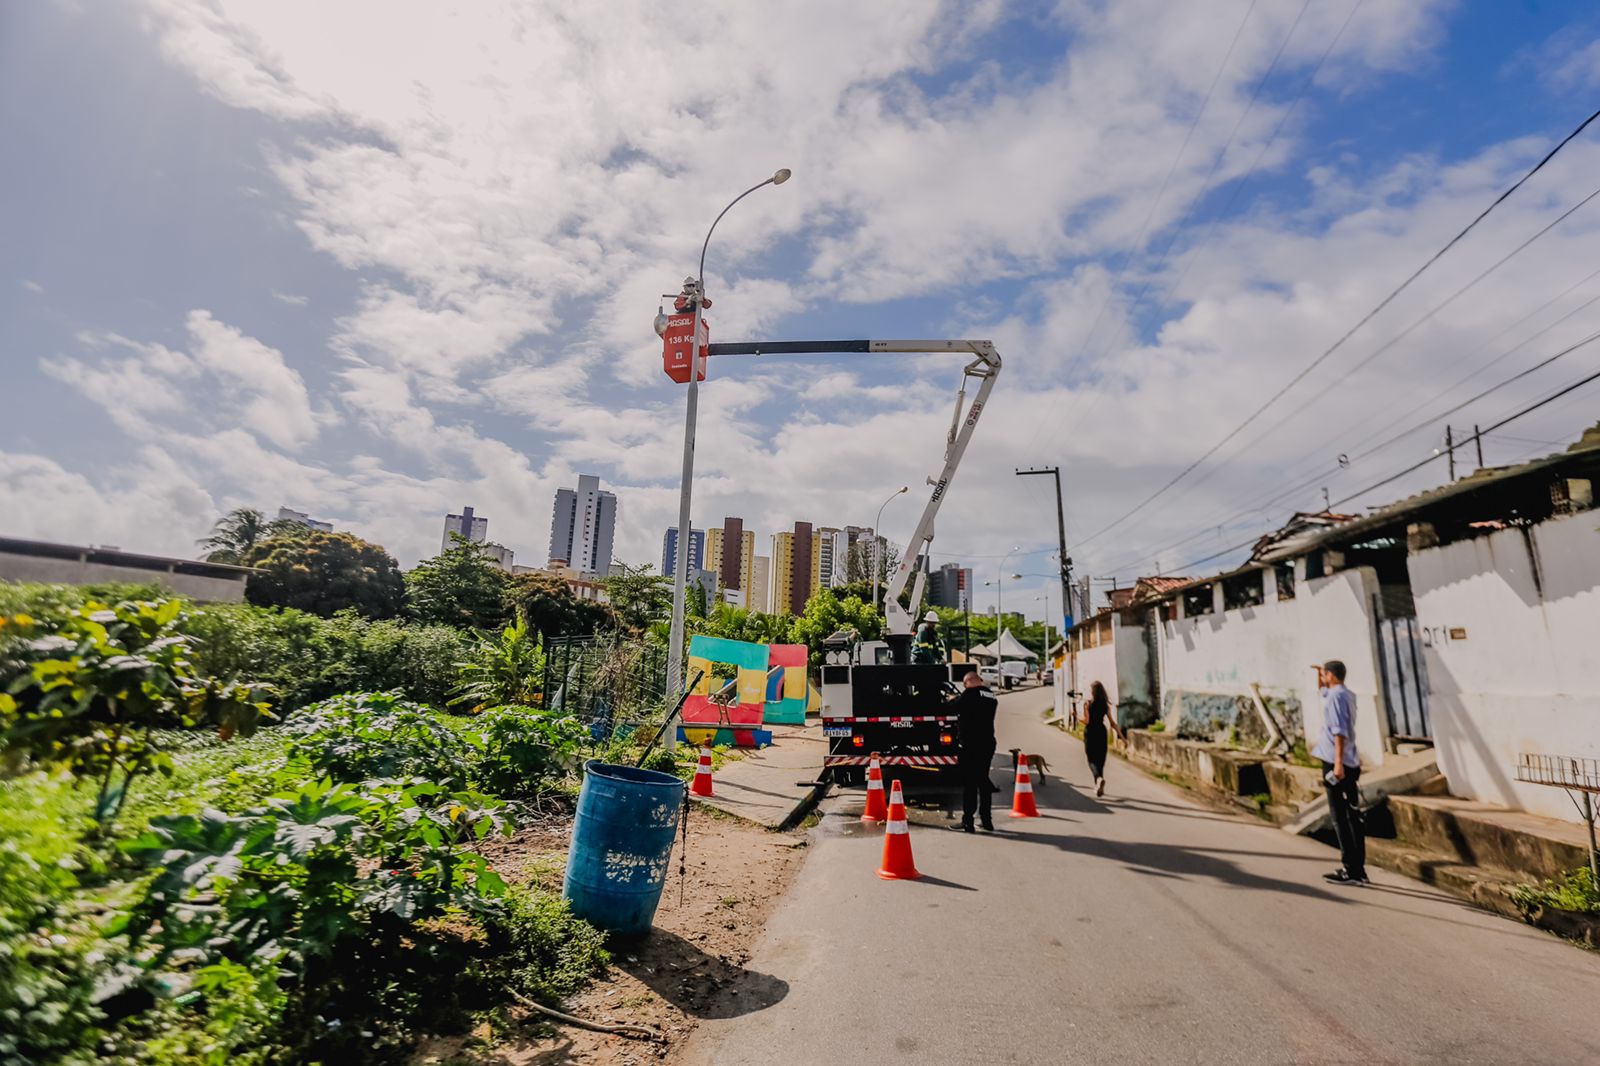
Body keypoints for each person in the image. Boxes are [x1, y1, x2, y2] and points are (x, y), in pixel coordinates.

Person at [1312, 659, 1367, 886]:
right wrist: (1319, 675)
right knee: (1352, 815)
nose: (1323, 679)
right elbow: (1322, 692)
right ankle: (1357, 868)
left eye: (1325, 675)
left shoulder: (1336, 698)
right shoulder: (1345, 694)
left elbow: (1339, 732)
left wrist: (1337, 763)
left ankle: (1351, 869)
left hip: (1338, 764)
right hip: (1349, 762)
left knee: (1341, 817)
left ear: (1331, 676)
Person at [947, 670, 998, 833]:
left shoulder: (968, 695)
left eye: (964, 683)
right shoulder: (991, 695)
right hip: (988, 744)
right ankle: (986, 821)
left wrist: (951, 699)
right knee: (983, 781)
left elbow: (952, 708)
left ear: (968, 681)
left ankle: (967, 822)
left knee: (970, 784)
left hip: (970, 746)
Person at [1083, 681, 1122, 797]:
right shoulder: (1105, 705)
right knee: (1100, 760)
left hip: (1090, 733)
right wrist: (1122, 738)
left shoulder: (1088, 704)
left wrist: (1076, 716)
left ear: (1093, 692)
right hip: (1101, 732)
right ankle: (1098, 786)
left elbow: (1086, 721)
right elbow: (1113, 723)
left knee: (1091, 760)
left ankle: (1098, 779)